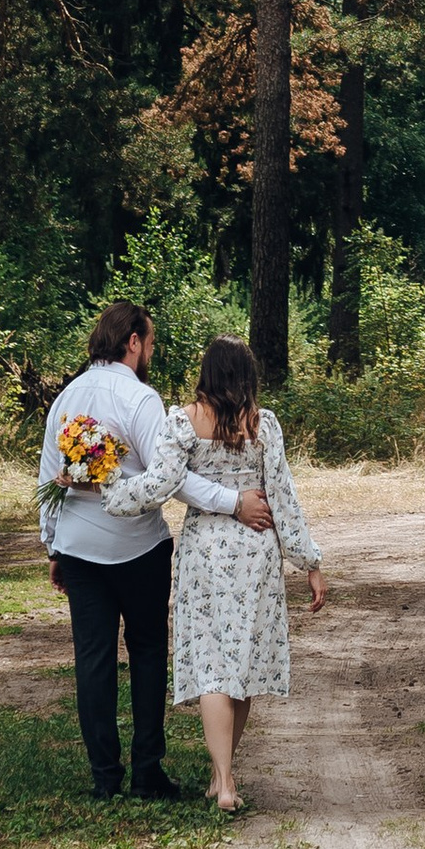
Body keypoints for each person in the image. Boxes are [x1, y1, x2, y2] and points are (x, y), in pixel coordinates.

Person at [37, 300, 273, 800]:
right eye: (149, 341)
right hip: (137, 548)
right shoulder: (140, 400)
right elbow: (172, 479)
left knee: (93, 660)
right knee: (146, 653)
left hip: (79, 547)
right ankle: (146, 770)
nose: (150, 351)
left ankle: (105, 776)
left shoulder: (67, 398)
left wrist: (53, 544)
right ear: (133, 342)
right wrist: (232, 501)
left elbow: (48, 475)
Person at [103, 332, 326, 814]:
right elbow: (282, 498)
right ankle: (222, 776)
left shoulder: (181, 422)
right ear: (248, 375)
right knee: (242, 666)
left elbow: (161, 484)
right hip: (255, 553)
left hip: (205, 552)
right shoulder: (264, 425)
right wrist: (309, 563)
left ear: (206, 373)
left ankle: (222, 780)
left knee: (211, 665)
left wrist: (110, 488)